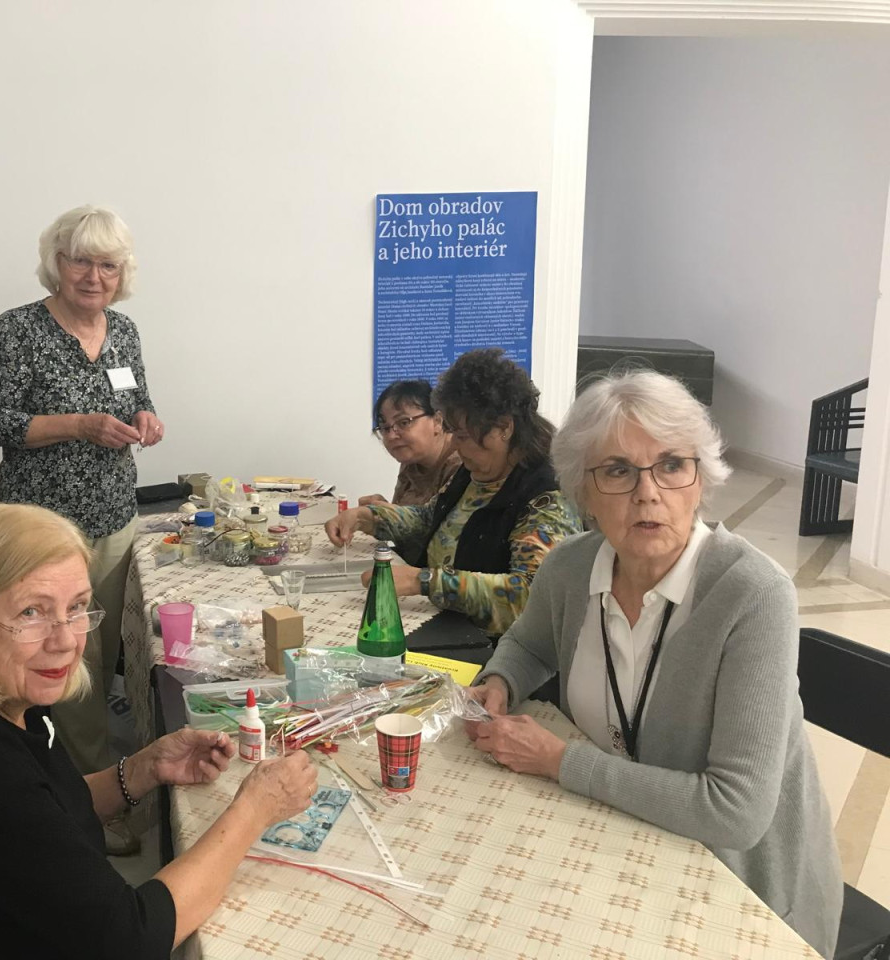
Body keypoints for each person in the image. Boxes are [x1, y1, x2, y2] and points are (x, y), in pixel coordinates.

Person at [0, 503, 316, 959]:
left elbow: (40, 807)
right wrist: (255, 809)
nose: (65, 641)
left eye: (77, 607)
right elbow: (129, 939)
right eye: (31, 612)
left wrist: (144, 768)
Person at [466, 370, 842, 959]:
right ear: (584, 491)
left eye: (671, 465)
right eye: (618, 471)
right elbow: (531, 644)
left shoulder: (753, 594)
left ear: (701, 478)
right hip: (616, 840)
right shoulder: (570, 567)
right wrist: (500, 679)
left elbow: (736, 812)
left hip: (740, 890)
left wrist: (561, 761)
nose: (648, 493)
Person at [0, 206, 161, 853]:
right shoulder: (19, 328)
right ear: (56, 262)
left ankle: (103, 781)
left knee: (105, 655)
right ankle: (87, 806)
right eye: (80, 260)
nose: (93, 276)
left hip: (114, 518)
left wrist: (147, 417)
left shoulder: (124, 330)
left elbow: (136, 397)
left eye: (107, 264)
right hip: (42, 533)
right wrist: (80, 425)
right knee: (67, 663)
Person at [326, 348, 580, 638]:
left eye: (461, 435)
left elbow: (529, 596)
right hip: (448, 624)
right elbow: (430, 518)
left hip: (495, 647)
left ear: (504, 428)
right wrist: (368, 517)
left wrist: (423, 581)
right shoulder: (478, 471)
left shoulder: (547, 496)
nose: (455, 445)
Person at [358, 379, 461, 507]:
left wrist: (389, 512)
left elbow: (446, 519)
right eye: (385, 428)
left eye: (404, 422)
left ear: (437, 421)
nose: (391, 436)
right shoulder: (411, 461)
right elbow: (406, 514)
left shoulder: (462, 464)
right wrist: (383, 509)